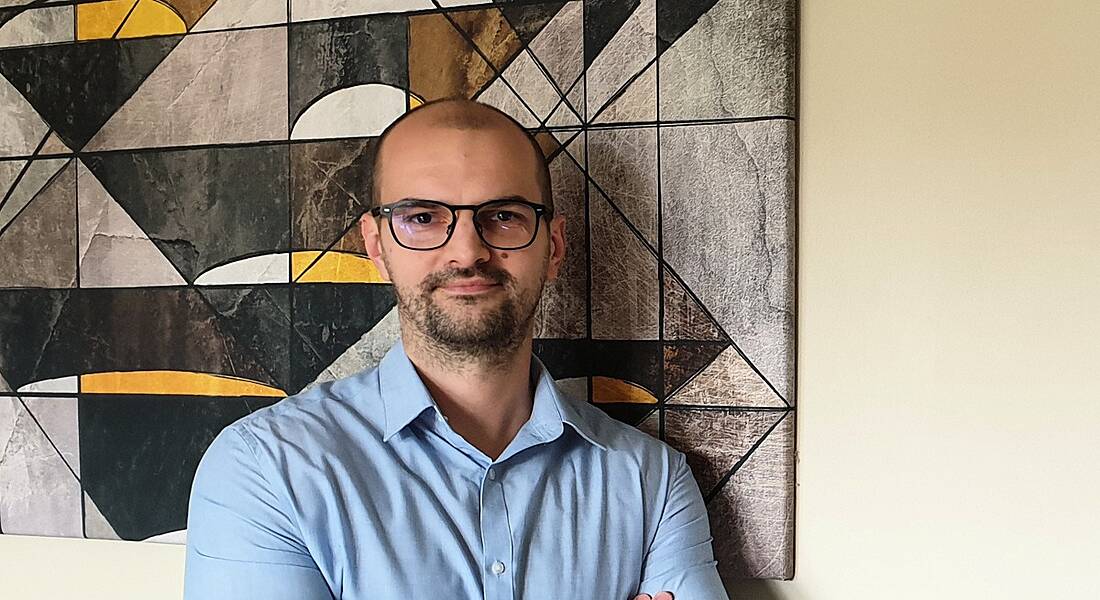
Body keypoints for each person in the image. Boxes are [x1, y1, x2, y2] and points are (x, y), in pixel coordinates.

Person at [183, 98, 729, 600]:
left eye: (505, 215)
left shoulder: (651, 482)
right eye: (422, 218)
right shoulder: (265, 468)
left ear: (553, 245)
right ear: (376, 245)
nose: (468, 251)